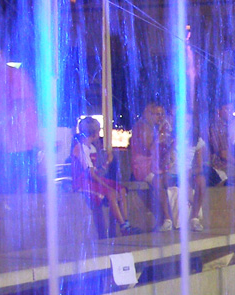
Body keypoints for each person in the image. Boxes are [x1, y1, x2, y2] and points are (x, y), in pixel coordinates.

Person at [0, 41, 43, 194]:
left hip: (18, 143)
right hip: (4, 143)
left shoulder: (14, 75)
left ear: (0, 52)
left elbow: (20, 104)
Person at [70, 117, 140, 236]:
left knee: (121, 189)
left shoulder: (91, 148)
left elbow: (96, 172)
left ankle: (126, 223)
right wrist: (108, 186)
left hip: (92, 178)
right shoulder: (81, 148)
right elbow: (90, 174)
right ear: (94, 133)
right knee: (111, 193)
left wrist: (107, 162)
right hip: (83, 181)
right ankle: (123, 227)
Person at [129, 101, 174, 231]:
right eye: (157, 114)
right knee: (158, 182)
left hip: (155, 164)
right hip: (143, 165)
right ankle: (167, 218)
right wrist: (159, 138)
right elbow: (148, 149)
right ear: (148, 114)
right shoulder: (141, 127)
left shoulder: (155, 127)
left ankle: (173, 218)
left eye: (162, 115)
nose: (160, 118)